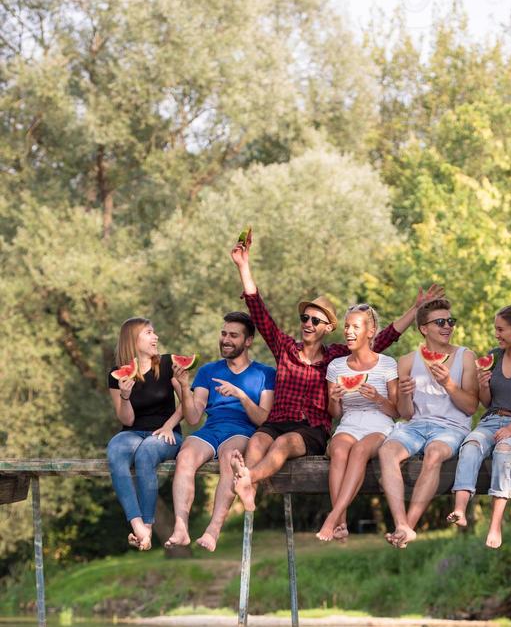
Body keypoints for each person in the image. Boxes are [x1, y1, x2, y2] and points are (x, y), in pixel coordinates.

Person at [228, 232, 442, 511]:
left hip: (310, 430)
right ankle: (249, 492)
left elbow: (383, 338)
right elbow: (258, 311)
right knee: (257, 440)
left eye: (315, 320)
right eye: (305, 317)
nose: (308, 323)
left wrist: (415, 310)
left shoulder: (336, 357)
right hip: (278, 420)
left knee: (282, 444)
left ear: (328, 328)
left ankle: (248, 478)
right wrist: (244, 267)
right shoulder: (284, 348)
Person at [165, 312, 275, 549]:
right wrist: (184, 388)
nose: (225, 339)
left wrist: (241, 395)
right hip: (211, 429)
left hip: (242, 431)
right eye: (224, 333)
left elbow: (263, 418)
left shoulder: (265, 374)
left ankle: (213, 531)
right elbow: (194, 417)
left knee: (229, 457)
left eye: (233, 335)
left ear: (248, 341)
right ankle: (181, 527)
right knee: (184, 456)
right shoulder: (207, 371)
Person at [379, 298, 478, 547]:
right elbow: (406, 413)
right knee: (387, 451)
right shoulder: (407, 361)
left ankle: (408, 527)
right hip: (416, 426)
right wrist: (403, 392)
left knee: (434, 454)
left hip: (452, 428)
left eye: (450, 321)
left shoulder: (466, 357)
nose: (448, 326)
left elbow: (471, 407)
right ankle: (400, 523)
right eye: (440, 322)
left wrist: (449, 384)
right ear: (424, 328)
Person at [448, 305, 511, 548]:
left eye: (501, 330)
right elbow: (487, 402)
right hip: (491, 419)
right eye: (495, 329)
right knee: (470, 445)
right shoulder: (495, 355)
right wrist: (483, 386)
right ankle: (459, 509)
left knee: (504, 451)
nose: (496, 334)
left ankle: (495, 525)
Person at [316, 305, 399, 542]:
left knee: (361, 450)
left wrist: (378, 398)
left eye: (356, 327)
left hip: (379, 423)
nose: (349, 332)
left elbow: (397, 411)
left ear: (371, 331)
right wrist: (334, 400)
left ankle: (332, 518)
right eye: (346, 327)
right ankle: (341, 524)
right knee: (339, 450)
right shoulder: (336, 367)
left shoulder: (387, 364)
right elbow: (336, 413)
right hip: (349, 422)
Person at [107, 317, 184, 551]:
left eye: (154, 332)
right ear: (134, 339)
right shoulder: (117, 374)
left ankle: (147, 526)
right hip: (132, 433)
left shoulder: (169, 363)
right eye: (149, 332)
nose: (156, 337)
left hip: (166, 435)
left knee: (147, 451)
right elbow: (127, 419)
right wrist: (125, 396)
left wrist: (170, 425)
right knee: (115, 449)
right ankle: (137, 523)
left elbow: (189, 403)